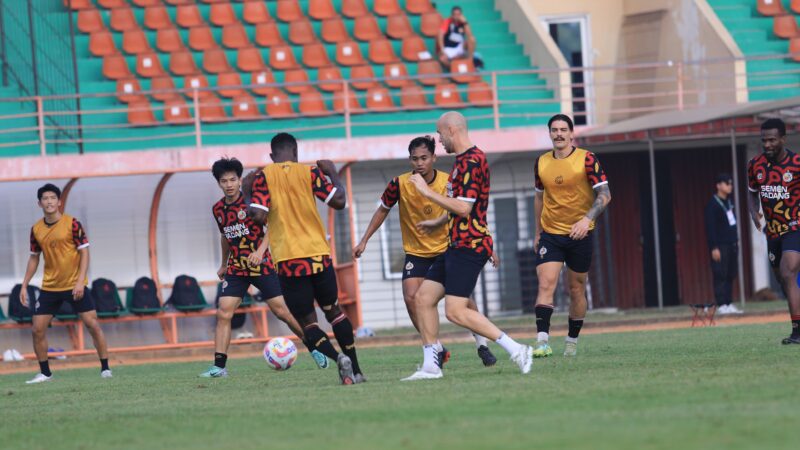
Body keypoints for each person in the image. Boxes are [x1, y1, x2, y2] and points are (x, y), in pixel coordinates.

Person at [401, 112, 533, 381]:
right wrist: (438, 221)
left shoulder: (473, 161)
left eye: (440, 135)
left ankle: (518, 349)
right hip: (455, 244)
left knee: (455, 311)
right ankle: (430, 366)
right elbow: (458, 205)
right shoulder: (461, 162)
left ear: (452, 130)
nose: (439, 140)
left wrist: (426, 192)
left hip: (470, 246)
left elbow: (465, 208)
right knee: (422, 299)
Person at [352, 136, 498, 368]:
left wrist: (486, 243)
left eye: (424, 158)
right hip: (417, 253)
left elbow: (465, 211)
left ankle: (482, 344)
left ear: (433, 158)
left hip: (447, 249)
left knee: (463, 300)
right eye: (414, 159)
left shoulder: (448, 181)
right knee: (411, 297)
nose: (419, 163)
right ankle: (436, 347)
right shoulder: (399, 184)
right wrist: (364, 240)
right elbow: (382, 210)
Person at [246, 133, 365, 384]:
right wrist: (332, 172)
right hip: (318, 256)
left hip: (289, 261)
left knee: (308, 323)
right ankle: (356, 369)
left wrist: (247, 193)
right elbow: (339, 201)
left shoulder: (262, 177)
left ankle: (337, 359)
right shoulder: (310, 173)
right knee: (334, 312)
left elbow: (257, 216)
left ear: (271, 156)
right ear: (296, 153)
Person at [200, 158, 328, 378]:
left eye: (233, 179)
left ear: (240, 180)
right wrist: (223, 264)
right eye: (224, 181)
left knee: (283, 312)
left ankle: (314, 348)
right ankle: (219, 367)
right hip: (237, 269)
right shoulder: (218, 209)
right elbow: (225, 236)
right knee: (223, 312)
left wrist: (260, 252)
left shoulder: (253, 203)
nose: (229, 184)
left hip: (263, 265)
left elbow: (274, 228)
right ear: (218, 183)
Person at [532, 114, 611, 358]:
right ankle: (542, 342)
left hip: (580, 234)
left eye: (563, 130)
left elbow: (605, 195)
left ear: (571, 133)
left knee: (576, 289)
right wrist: (537, 231)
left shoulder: (587, 159)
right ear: (550, 133)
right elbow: (538, 197)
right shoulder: (541, 162)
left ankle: (571, 340)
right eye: (554, 130)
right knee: (546, 283)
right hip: (551, 234)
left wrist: (587, 219)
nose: (558, 134)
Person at [20, 184, 112, 384]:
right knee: (37, 329)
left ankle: (105, 368)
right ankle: (45, 373)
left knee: (92, 325)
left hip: (74, 286)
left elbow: (84, 252)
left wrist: (80, 282)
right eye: (45, 198)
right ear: (39, 203)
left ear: (59, 201)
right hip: (50, 287)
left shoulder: (73, 224)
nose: (50, 201)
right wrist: (24, 284)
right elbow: (34, 258)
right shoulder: (36, 229)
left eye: (53, 198)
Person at [747, 118, 800, 345]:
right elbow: (751, 192)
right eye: (763, 140)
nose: (767, 144)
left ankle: (797, 332)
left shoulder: (797, 163)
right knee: (783, 280)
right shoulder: (755, 165)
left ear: (782, 139)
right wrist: (754, 211)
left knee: (788, 273)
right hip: (773, 232)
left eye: (771, 140)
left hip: (795, 227)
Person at [704, 173, 742, 315]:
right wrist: (714, 247)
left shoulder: (729, 202)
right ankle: (721, 304)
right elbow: (710, 228)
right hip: (721, 246)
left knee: (730, 273)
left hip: (732, 244)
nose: (730, 186)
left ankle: (728, 302)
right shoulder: (713, 205)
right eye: (727, 184)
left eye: (730, 183)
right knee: (720, 273)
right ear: (718, 185)